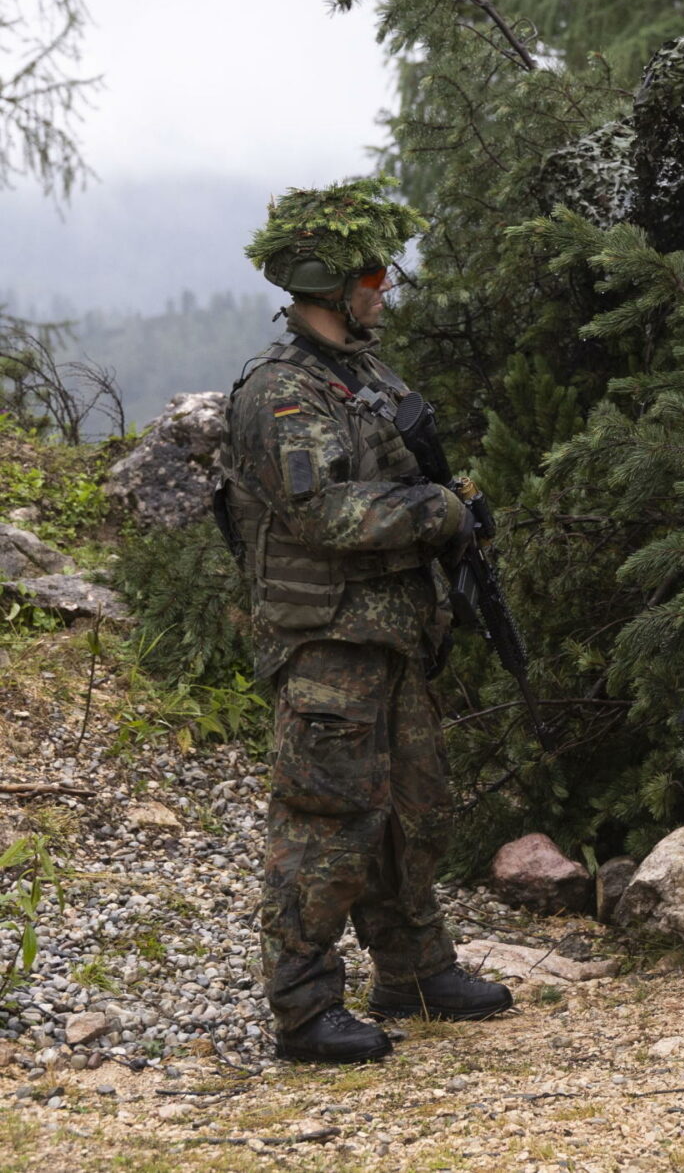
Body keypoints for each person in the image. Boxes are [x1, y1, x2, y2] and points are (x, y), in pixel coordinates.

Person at [219, 178, 513, 1065]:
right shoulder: (282, 393)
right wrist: (435, 513)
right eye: (372, 277)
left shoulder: (366, 375)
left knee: (412, 812)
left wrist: (463, 507)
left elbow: (406, 475)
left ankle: (415, 971)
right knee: (325, 820)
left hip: (389, 635)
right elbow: (324, 516)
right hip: (326, 643)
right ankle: (305, 1010)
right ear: (331, 283)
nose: (384, 289)